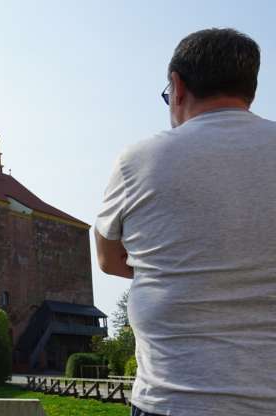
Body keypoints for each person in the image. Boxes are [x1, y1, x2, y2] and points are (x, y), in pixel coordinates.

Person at [95, 28, 276, 416]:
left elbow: (109, 260)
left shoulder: (139, 160)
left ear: (177, 87)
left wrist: (185, 270)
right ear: (252, 89)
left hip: (175, 397)